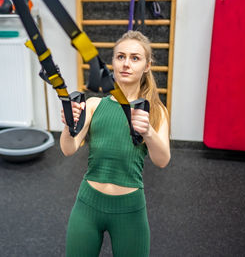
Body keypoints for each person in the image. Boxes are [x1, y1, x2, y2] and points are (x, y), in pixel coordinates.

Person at [60, 30, 170, 257]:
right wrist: (69, 124)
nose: (126, 64)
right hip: (88, 205)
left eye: (135, 58)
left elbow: (162, 160)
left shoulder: (156, 110)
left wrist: (147, 130)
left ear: (147, 66)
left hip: (130, 210)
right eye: (120, 57)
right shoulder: (93, 105)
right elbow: (68, 148)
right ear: (112, 62)